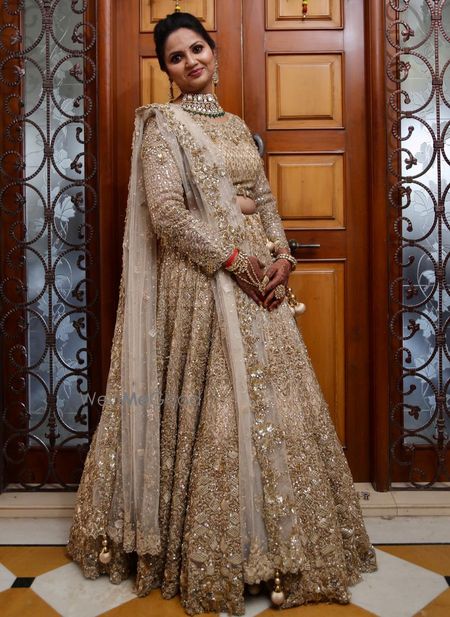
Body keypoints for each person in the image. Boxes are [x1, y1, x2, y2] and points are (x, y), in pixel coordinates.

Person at [66, 11, 377, 616]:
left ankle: (284, 546)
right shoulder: (163, 126)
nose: (191, 62)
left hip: (260, 283)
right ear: (167, 71)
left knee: (270, 408)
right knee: (216, 411)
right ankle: (216, 553)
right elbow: (167, 214)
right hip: (203, 283)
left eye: (197, 49)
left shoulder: (235, 127)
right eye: (176, 57)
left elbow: (263, 198)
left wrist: (282, 256)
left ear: (215, 53)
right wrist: (233, 256)